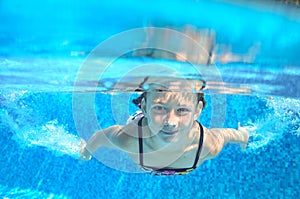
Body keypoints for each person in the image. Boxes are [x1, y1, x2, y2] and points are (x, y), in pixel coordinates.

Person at [79, 77, 249, 176]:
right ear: (144, 107)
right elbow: (100, 137)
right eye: (160, 108)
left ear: (197, 111)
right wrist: (86, 152)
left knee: (231, 135)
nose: (171, 122)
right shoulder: (129, 139)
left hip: (179, 157)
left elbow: (226, 135)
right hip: (144, 131)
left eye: (182, 110)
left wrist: (242, 136)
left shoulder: (207, 145)